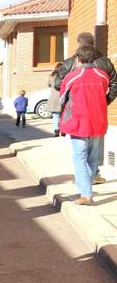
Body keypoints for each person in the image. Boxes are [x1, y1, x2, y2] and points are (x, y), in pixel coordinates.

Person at [57, 41, 117, 205]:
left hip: (79, 122)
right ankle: (87, 189)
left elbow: (62, 98)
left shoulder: (72, 76)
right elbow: (111, 88)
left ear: (78, 58)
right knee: (92, 159)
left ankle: (86, 194)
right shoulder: (102, 75)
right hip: (98, 122)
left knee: (79, 158)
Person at [48, 63, 64, 136]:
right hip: (61, 96)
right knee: (62, 115)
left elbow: (48, 84)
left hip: (53, 98)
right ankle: (63, 131)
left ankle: (56, 131)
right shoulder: (63, 76)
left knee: (55, 116)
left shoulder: (51, 75)